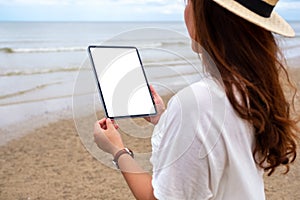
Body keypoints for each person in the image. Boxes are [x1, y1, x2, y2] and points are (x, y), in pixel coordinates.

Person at [93, 0, 299, 199]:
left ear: (207, 17)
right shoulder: (252, 90)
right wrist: (164, 118)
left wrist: (117, 149)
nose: (185, 12)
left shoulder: (197, 104)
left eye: (189, 3)